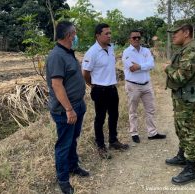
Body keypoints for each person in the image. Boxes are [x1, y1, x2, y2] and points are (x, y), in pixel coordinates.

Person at [163, 24, 195, 185]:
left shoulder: (193, 50)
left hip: (188, 97)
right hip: (182, 96)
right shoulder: (188, 48)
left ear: (186, 33)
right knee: (180, 127)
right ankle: (182, 156)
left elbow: (180, 77)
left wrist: (167, 68)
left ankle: (191, 170)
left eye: (175, 33)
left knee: (187, 131)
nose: (173, 36)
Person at [46, 21, 89, 194]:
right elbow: (57, 85)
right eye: (75, 33)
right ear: (68, 35)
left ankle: (73, 166)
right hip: (66, 110)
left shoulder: (69, 53)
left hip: (78, 105)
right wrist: (69, 109)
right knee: (64, 144)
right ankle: (63, 179)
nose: (76, 36)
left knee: (73, 139)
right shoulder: (56, 56)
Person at [82, 23, 129, 159]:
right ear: (98, 35)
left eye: (110, 33)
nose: (109, 36)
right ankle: (101, 146)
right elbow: (85, 73)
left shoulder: (111, 48)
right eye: (106, 34)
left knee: (114, 116)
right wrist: (93, 85)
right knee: (100, 118)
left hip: (112, 89)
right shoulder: (92, 52)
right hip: (100, 90)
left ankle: (113, 141)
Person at [122, 29, 166, 143]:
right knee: (133, 111)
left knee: (150, 110)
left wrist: (140, 66)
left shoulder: (146, 50)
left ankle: (152, 133)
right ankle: (134, 133)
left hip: (147, 85)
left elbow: (151, 64)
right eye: (134, 37)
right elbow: (132, 68)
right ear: (129, 39)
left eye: (138, 37)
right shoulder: (126, 52)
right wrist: (144, 66)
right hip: (133, 86)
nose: (136, 39)